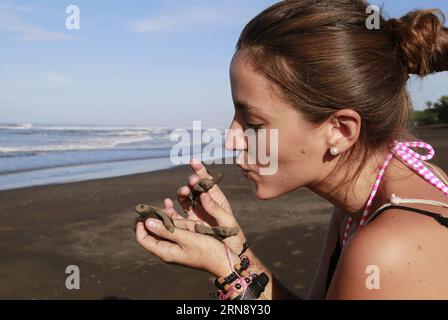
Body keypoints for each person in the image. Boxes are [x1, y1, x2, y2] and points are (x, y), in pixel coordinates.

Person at [135, 0, 448, 299]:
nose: (232, 140)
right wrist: (232, 254)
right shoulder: (371, 199)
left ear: (340, 131)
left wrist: (230, 272)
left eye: (254, 122)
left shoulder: (389, 250)